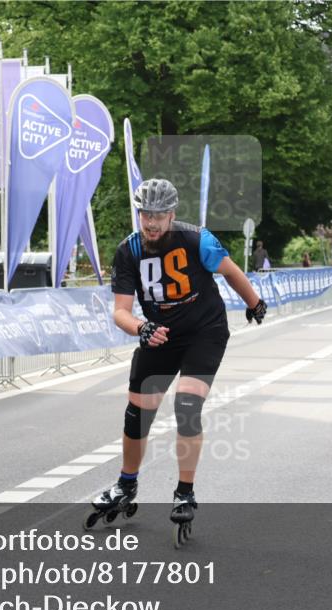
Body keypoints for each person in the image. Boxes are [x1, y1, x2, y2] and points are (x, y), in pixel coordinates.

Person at [87, 178, 266, 544]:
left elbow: (230, 271)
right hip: (159, 334)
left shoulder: (197, 239)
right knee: (138, 414)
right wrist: (141, 327)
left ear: (171, 214)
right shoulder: (128, 251)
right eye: (144, 215)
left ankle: (184, 490)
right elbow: (120, 312)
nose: (151, 223)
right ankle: (126, 485)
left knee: (186, 405)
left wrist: (254, 303)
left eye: (158, 215)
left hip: (205, 331)